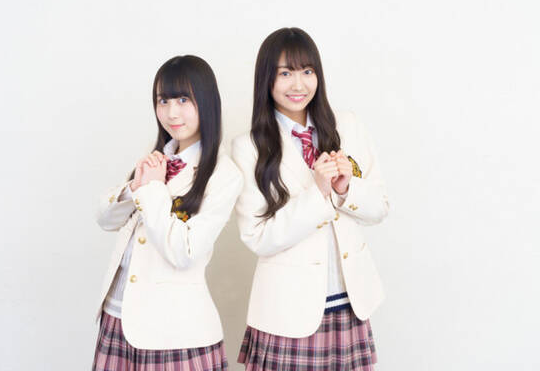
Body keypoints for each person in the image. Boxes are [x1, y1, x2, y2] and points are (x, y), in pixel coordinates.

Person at [232, 27, 389, 370]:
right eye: (285, 73)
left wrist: (346, 189)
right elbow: (258, 237)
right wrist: (318, 194)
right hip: (287, 311)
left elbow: (380, 207)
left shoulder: (347, 125)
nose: (298, 84)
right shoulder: (249, 147)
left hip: (349, 303)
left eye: (307, 71)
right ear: (266, 79)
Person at [93, 55, 242, 371]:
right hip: (118, 316)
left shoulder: (224, 174)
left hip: (173, 331)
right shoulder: (157, 159)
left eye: (183, 100)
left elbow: (182, 252)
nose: (171, 113)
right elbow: (106, 219)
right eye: (163, 100)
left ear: (206, 101)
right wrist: (134, 187)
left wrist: (152, 189)